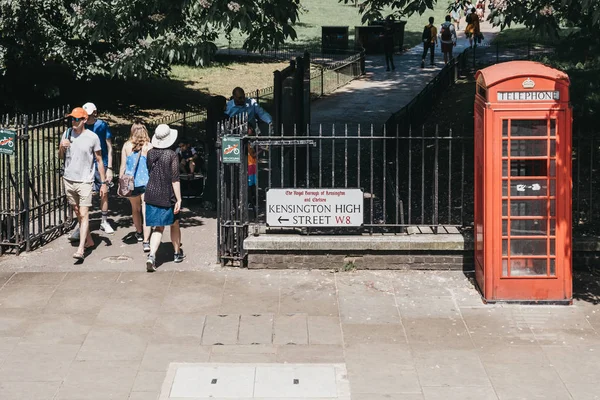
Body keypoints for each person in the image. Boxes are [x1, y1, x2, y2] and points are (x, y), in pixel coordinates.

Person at [59, 107, 108, 261]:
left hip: (85, 180)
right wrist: (62, 147)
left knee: (84, 213)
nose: (74, 122)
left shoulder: (93, 137)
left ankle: (81, 249)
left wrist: (104, 182)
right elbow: (60, 156)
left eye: (77, 119)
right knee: (77, 212)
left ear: (85, 120)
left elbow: (99, 160)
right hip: (69, 178)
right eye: (72, 119)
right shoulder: (67, 134)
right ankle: (90, 240)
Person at [68, 102, 114, 242]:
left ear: (95, 113)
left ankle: (104, 220)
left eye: (88, 114)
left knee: (103, 192)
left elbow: (109, 147)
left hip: (101, 161)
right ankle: (82, 227)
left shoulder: (102, 125)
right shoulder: (80, 125)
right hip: (85, 164)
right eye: (84, 115)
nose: (86, 118)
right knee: (83, 196)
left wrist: (110, 168)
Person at [144, 124, 183, 272]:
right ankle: (176, 253)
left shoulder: (150, 153)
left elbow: (150, 171)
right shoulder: (172, 155)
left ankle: (152, 256)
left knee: (158, 228)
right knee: (175, 224)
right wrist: (178, 199)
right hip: (167, 195)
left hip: (151, 193)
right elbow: (175, 179)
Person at [119, 122, 152, 252]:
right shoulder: (149, 146)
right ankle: (146, 240)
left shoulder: (126, 146)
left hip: (131, 183)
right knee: (145, 210)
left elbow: (123, 165)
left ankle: (138, 232)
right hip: (146, 181)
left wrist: (121, 182)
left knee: (135, 209)